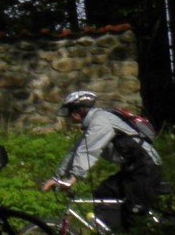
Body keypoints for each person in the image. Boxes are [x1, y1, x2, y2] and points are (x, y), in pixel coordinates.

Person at [39, 89, 162, 225]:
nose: (68, 116)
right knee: (104, 193)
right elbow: (74, 152)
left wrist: (73, 178)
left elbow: (89, 150)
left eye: (70, 111)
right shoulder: (95, 122)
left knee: (133, 213)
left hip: (146, 167)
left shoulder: (100, 121)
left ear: (79, 111)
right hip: (133, 168)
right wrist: (58, 178)